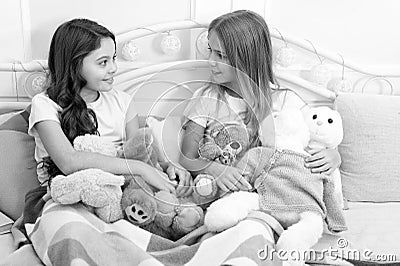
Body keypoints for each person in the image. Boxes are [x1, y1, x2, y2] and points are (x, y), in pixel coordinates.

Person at [180, 10, 341, 193]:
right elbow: (187, 157)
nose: (210, 61)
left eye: (220, 55)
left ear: (247, 59)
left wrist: (334, 155)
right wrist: (214, 169)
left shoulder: (285, 101)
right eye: (211, 51)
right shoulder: (208, 97)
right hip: (221, 192)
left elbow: (320, 138)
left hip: (270, 190)